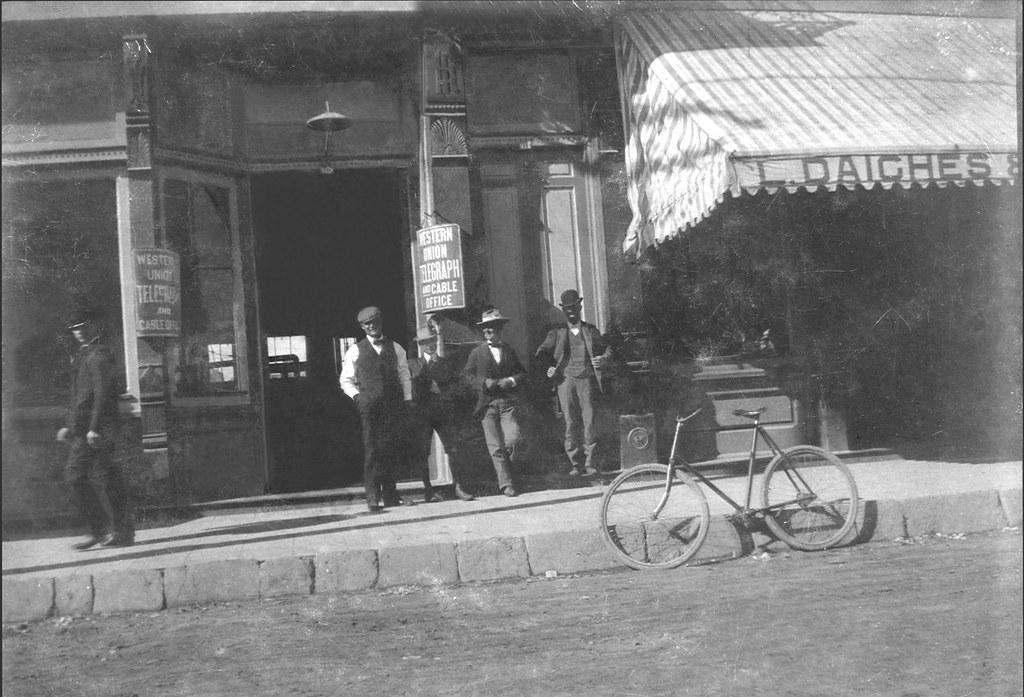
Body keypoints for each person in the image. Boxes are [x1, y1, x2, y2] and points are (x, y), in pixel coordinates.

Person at [56, 307, 134, 549]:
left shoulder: (99, 354)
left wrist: (94, 428)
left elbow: (102, 395)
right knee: (79, 477)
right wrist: (70, 426)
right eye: (75, 329)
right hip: (85, 430)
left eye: (83, 327)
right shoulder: (84, 353)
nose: (78, 333)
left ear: (93, 326)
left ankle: (116, 533)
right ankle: (104, 531)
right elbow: (80, 396)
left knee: (107, 479)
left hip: (99, 429)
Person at [340, 306, 413, 512]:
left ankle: (390, 495)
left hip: (393, 406)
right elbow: (346, 380)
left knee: (390, 449)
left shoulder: (396, 348)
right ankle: (372, 497)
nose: (371, 326)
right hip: (370, 408)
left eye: (374, 322)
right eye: (366, 324)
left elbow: (404, 375)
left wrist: (407, 399)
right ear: (362, 327)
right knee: (372, 451)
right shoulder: (355, 350)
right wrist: (358, 398)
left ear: (381, 322)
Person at [534, 289, 613, 477]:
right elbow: (541, 353)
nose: (570, 312)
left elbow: (608, 349)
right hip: (565, 380)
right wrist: (549, 367)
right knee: (570, 422)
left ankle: (590, 462)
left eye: (573, 307)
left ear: (580, 306)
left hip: (586, 380)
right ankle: (575, 463)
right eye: (567, 309)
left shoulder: (591, 330)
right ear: (563, 310)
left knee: (589, 422)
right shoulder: (557, 332)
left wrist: (602, 359)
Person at [406, 325, 475, 503]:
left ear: (436, 341)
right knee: (423, 452)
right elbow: (413, 392)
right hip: (423, 414)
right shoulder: (414, 365)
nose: (429, 345)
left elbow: (456, 387)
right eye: (425, 342)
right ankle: (428, 490)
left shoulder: (447, 363)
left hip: (444, 412)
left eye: (431, 340)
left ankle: (458, 486)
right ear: (420, 345)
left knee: (453, 448)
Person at [462, 307, 527, 497]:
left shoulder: (508, 350)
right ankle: (506, 484)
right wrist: (484, 382)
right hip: (486, 406)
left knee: (514, 439)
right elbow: (466, 375)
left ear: (500, 329)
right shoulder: (477, 352)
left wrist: (511, 380)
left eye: (491, 328)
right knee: (495, 447)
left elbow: (522, 373)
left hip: (507, 403)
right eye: (484, 329)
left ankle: (511, 474)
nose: (487, 332)